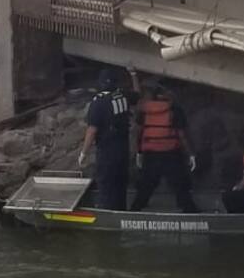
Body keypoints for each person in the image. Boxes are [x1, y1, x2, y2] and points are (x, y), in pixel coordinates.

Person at [130, 81, 199, 213]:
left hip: (150, 154)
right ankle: (190, 212)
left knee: (145, 186)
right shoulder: (175, 109)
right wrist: (191, 154)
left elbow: (139, 133)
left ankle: (134, 211)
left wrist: (139, 152)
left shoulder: (145, 110)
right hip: (171, 153)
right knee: (180, 185)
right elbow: (182, 135)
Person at [78, 67, 140, 211]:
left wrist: (84, 153)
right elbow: (137, 94)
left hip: (107, 150)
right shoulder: (123, 96)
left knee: (106, 182)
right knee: (120, 182)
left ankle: (107, 212)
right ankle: (121, 209)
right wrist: (134, 74)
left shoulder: (98, 102)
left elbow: (92, 130)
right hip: (123, 147)